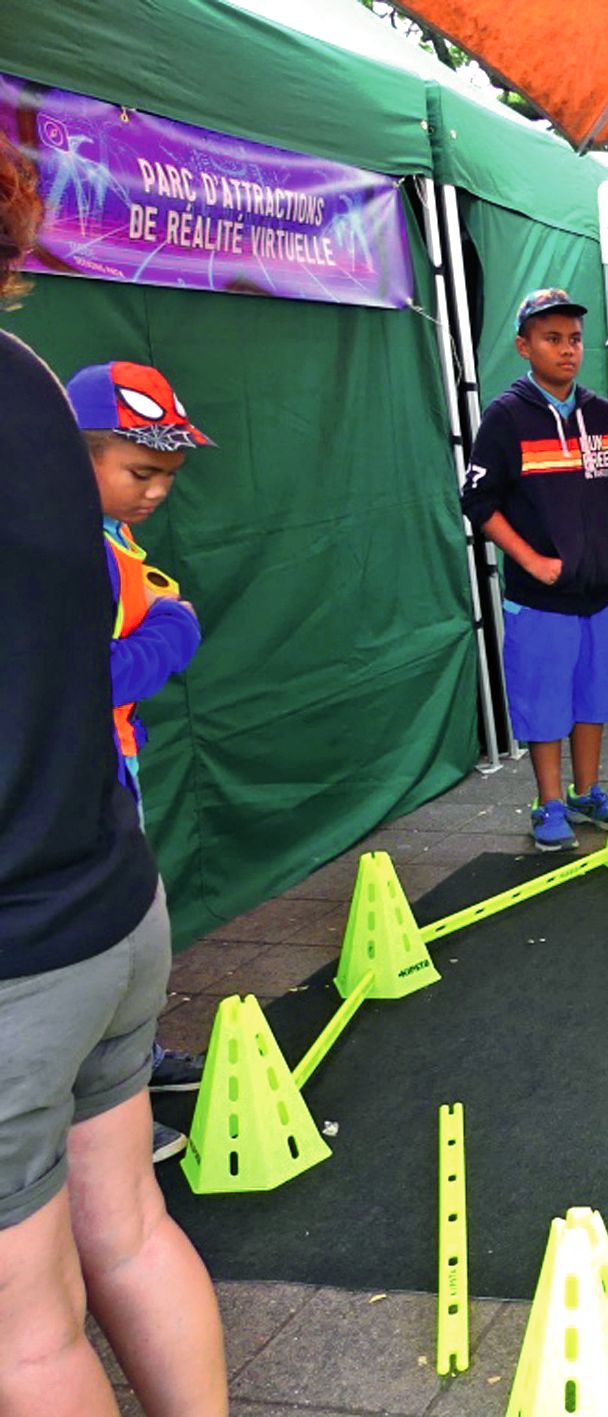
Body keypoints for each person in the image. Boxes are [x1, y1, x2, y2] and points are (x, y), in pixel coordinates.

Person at [0, 132, 228, 1417]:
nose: (146, 495)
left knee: (31, 1333)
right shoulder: (30, 385)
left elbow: (116, 649)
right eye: (140, 472)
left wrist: (136, 651)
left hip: (28, 935)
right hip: (100, 895)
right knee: (127, 1228)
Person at [68, 361, 215, 1165]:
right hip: (75, 784)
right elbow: (86, 677)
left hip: (112, 765)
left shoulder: (109, 535)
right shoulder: (64, 550)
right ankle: (104, 1118)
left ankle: (132, 1068)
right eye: (140, 471)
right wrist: (175, 629)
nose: (157, 490)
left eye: (167, 473)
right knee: (91, 947)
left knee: (128, 933)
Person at [462, 287, 608, 851]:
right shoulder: (506, 417)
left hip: (599, 594)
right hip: (540, 601)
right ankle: (549, 801)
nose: (568, 350)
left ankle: (586, 792)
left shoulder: (601, 413)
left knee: (592, 701)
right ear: (523, 346)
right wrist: (532, 561)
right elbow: (477, 503)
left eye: (575, 339)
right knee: (544, 705)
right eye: (552, 339)